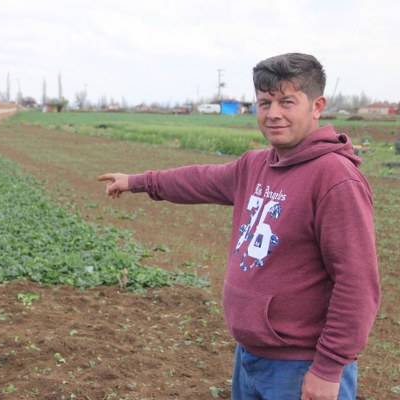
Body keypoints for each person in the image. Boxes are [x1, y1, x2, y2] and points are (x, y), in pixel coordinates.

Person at [98, 53, 380, 400]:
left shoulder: (335, 179)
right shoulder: (256, 164)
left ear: (316, 106)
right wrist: (138, 181)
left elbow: (357, 283)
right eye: (264, 102)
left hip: (300, 367)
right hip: (250, 357)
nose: (273, 113)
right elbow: (198, 180)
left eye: (286, 101)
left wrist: (328, 368)